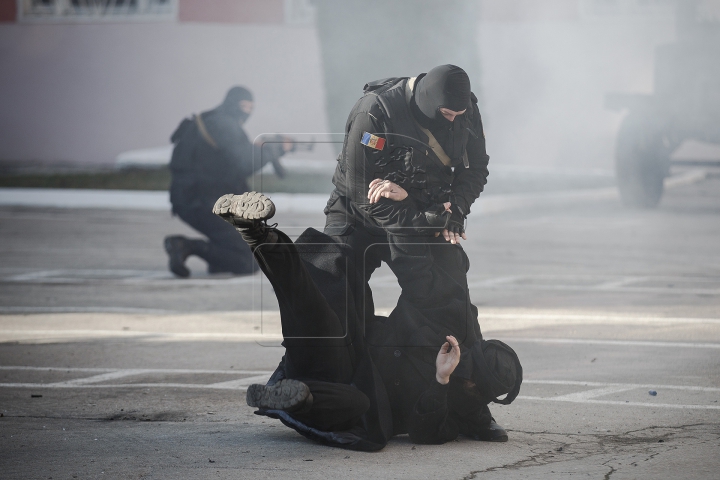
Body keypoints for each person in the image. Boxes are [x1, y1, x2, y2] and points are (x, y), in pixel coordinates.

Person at [212, 191, 522, 451]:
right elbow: (430, 272)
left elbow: (425, 432)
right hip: (350, 351)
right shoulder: (456, 325)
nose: (464, 375)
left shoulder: (458, 409)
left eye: (471, 382)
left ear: (477, 392)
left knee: (355, 404)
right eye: (471, 367)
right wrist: (412, 215)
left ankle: (294, 398)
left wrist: (441, 380)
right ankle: (256, 232)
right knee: (318, 311)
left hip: (354, 401)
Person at [163, 86, 290, 277]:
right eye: (244, 106)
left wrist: (259, 149)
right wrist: (276, 150)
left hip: (190, 200)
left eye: (250, 107)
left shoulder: (210, 121)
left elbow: (224, 160)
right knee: (249, 261)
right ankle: (186, 246)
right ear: (232, 104)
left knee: (235, 241)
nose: (247, 111)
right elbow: (244, 164)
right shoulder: (224, 125)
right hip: (202, 202)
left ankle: (219, 261)